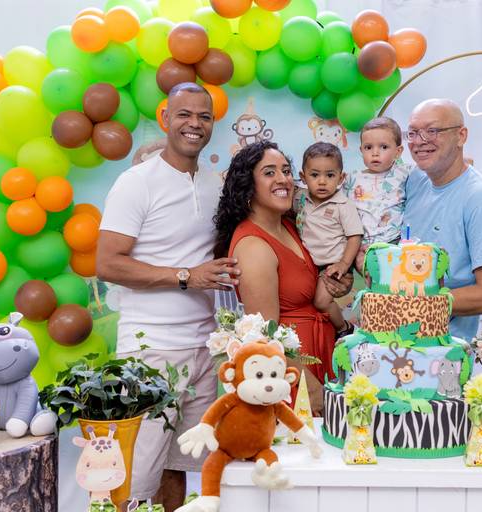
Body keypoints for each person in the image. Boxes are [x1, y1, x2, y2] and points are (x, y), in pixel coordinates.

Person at [96, 82, 239, 511]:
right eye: (184, 115)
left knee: (177, 467)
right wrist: (185, 277)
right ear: (164, 119)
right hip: (150, 350)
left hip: (203, 351)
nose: (195, 124)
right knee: (134, 475)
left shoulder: (214, 185)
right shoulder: (136, 183)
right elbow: (108, 264)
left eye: (204, 117)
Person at [212, 141, 352, 412]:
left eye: (286, 171)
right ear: (248, 186)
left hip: (320, 358)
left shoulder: (290, 225)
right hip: (292, 375)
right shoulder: (253, 246)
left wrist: (336, 282)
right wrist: (312, 390)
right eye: (269, 172)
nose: (283, 179)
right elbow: (265, 336)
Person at [403, 98, 482, 341]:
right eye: (413, 133)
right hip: (394, 342)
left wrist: (416, 305)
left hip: (443, 350)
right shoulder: (416, 181)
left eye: (432, 130)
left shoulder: (481, 199)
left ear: (461, 136)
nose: (419, 141)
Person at [294, 142, 363, 336]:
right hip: (309, 264)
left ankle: (344, 328)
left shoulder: (343, 205)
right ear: (303, 177)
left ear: (341, 178)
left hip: (333, 265)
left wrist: (344, 264)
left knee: (321, 301)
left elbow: (354, 236)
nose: (322, 182)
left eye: (330, 175)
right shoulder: (300, 199)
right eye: (315, 175)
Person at [342, 117, 411, 272]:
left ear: (398, 152)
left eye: (384, 147)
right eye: (368, 147)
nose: (375, 153)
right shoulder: (352, 178)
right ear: (361, 150)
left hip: (394, 241)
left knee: (396, 276)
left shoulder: (404, 172)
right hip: (363, 245)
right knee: (371, 274)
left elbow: (431, 173)